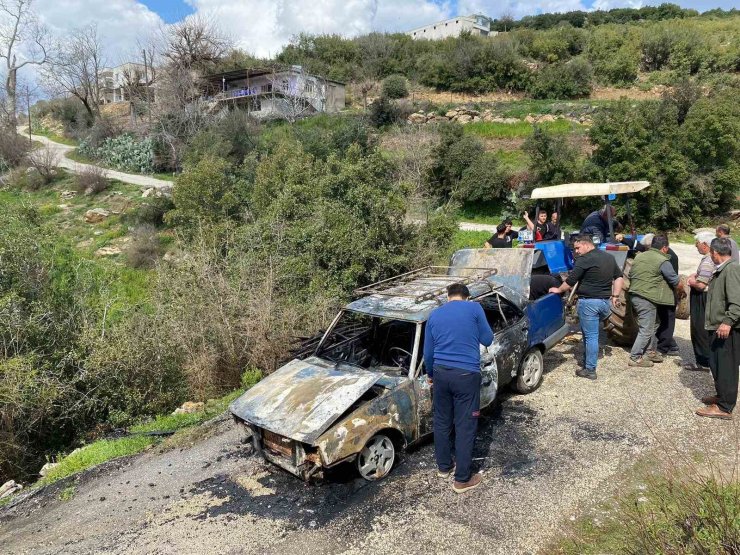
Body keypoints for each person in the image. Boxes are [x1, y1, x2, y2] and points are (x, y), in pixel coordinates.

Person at [423, 283, 494, 492]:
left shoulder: (434, 315)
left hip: (441, 374)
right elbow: (488, 338)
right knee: (465, 425)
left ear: (448, 297)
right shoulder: (474, 309)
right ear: (467, 296)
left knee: (442, 421)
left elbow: (428, 352)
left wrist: (430, 375)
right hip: (466, 374)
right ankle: (462, 480)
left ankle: (444, 467)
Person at [548, 234, 624, 380]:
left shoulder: (584, 259)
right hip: (604, 303)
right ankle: (587, 359)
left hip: (589, 303)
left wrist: (558, 290)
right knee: (590, 333)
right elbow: (619, 277)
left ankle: (590, 369)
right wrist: (615, 296)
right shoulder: (608, 257)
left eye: (577, 248)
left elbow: (571, 280)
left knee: (591, 337)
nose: (576, 251)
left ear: (586, 245)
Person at [695, 237, 740, 420]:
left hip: (726, 328)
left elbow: (737, 301)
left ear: (714, 252)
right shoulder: (723, 269)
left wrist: (727, 321)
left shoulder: (732, 269)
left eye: (710, 253)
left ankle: (725, 406)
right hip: (718, 327)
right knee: (717, 364)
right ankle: (721, 396)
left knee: (727, 366)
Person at [626, 235, 680, 367]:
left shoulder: (639, 256)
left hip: (635, 294)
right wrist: (681, 290)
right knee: (646, 328)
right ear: (665, 248)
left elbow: (631, 274)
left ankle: (650, 351)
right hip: (647, 298)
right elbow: (675, 280)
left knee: (654, 323)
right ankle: (635, 357)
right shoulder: (663, 260)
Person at [684, 231, 716, 371]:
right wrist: (697, 274)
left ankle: (703, 362)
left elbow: (701, 285)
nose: (696, 246)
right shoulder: (711, 258)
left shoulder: (708, 260)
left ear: (705, 245)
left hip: (702, 297)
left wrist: (691, 281)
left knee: (699, 329)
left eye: (697, 243)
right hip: (708, 297)